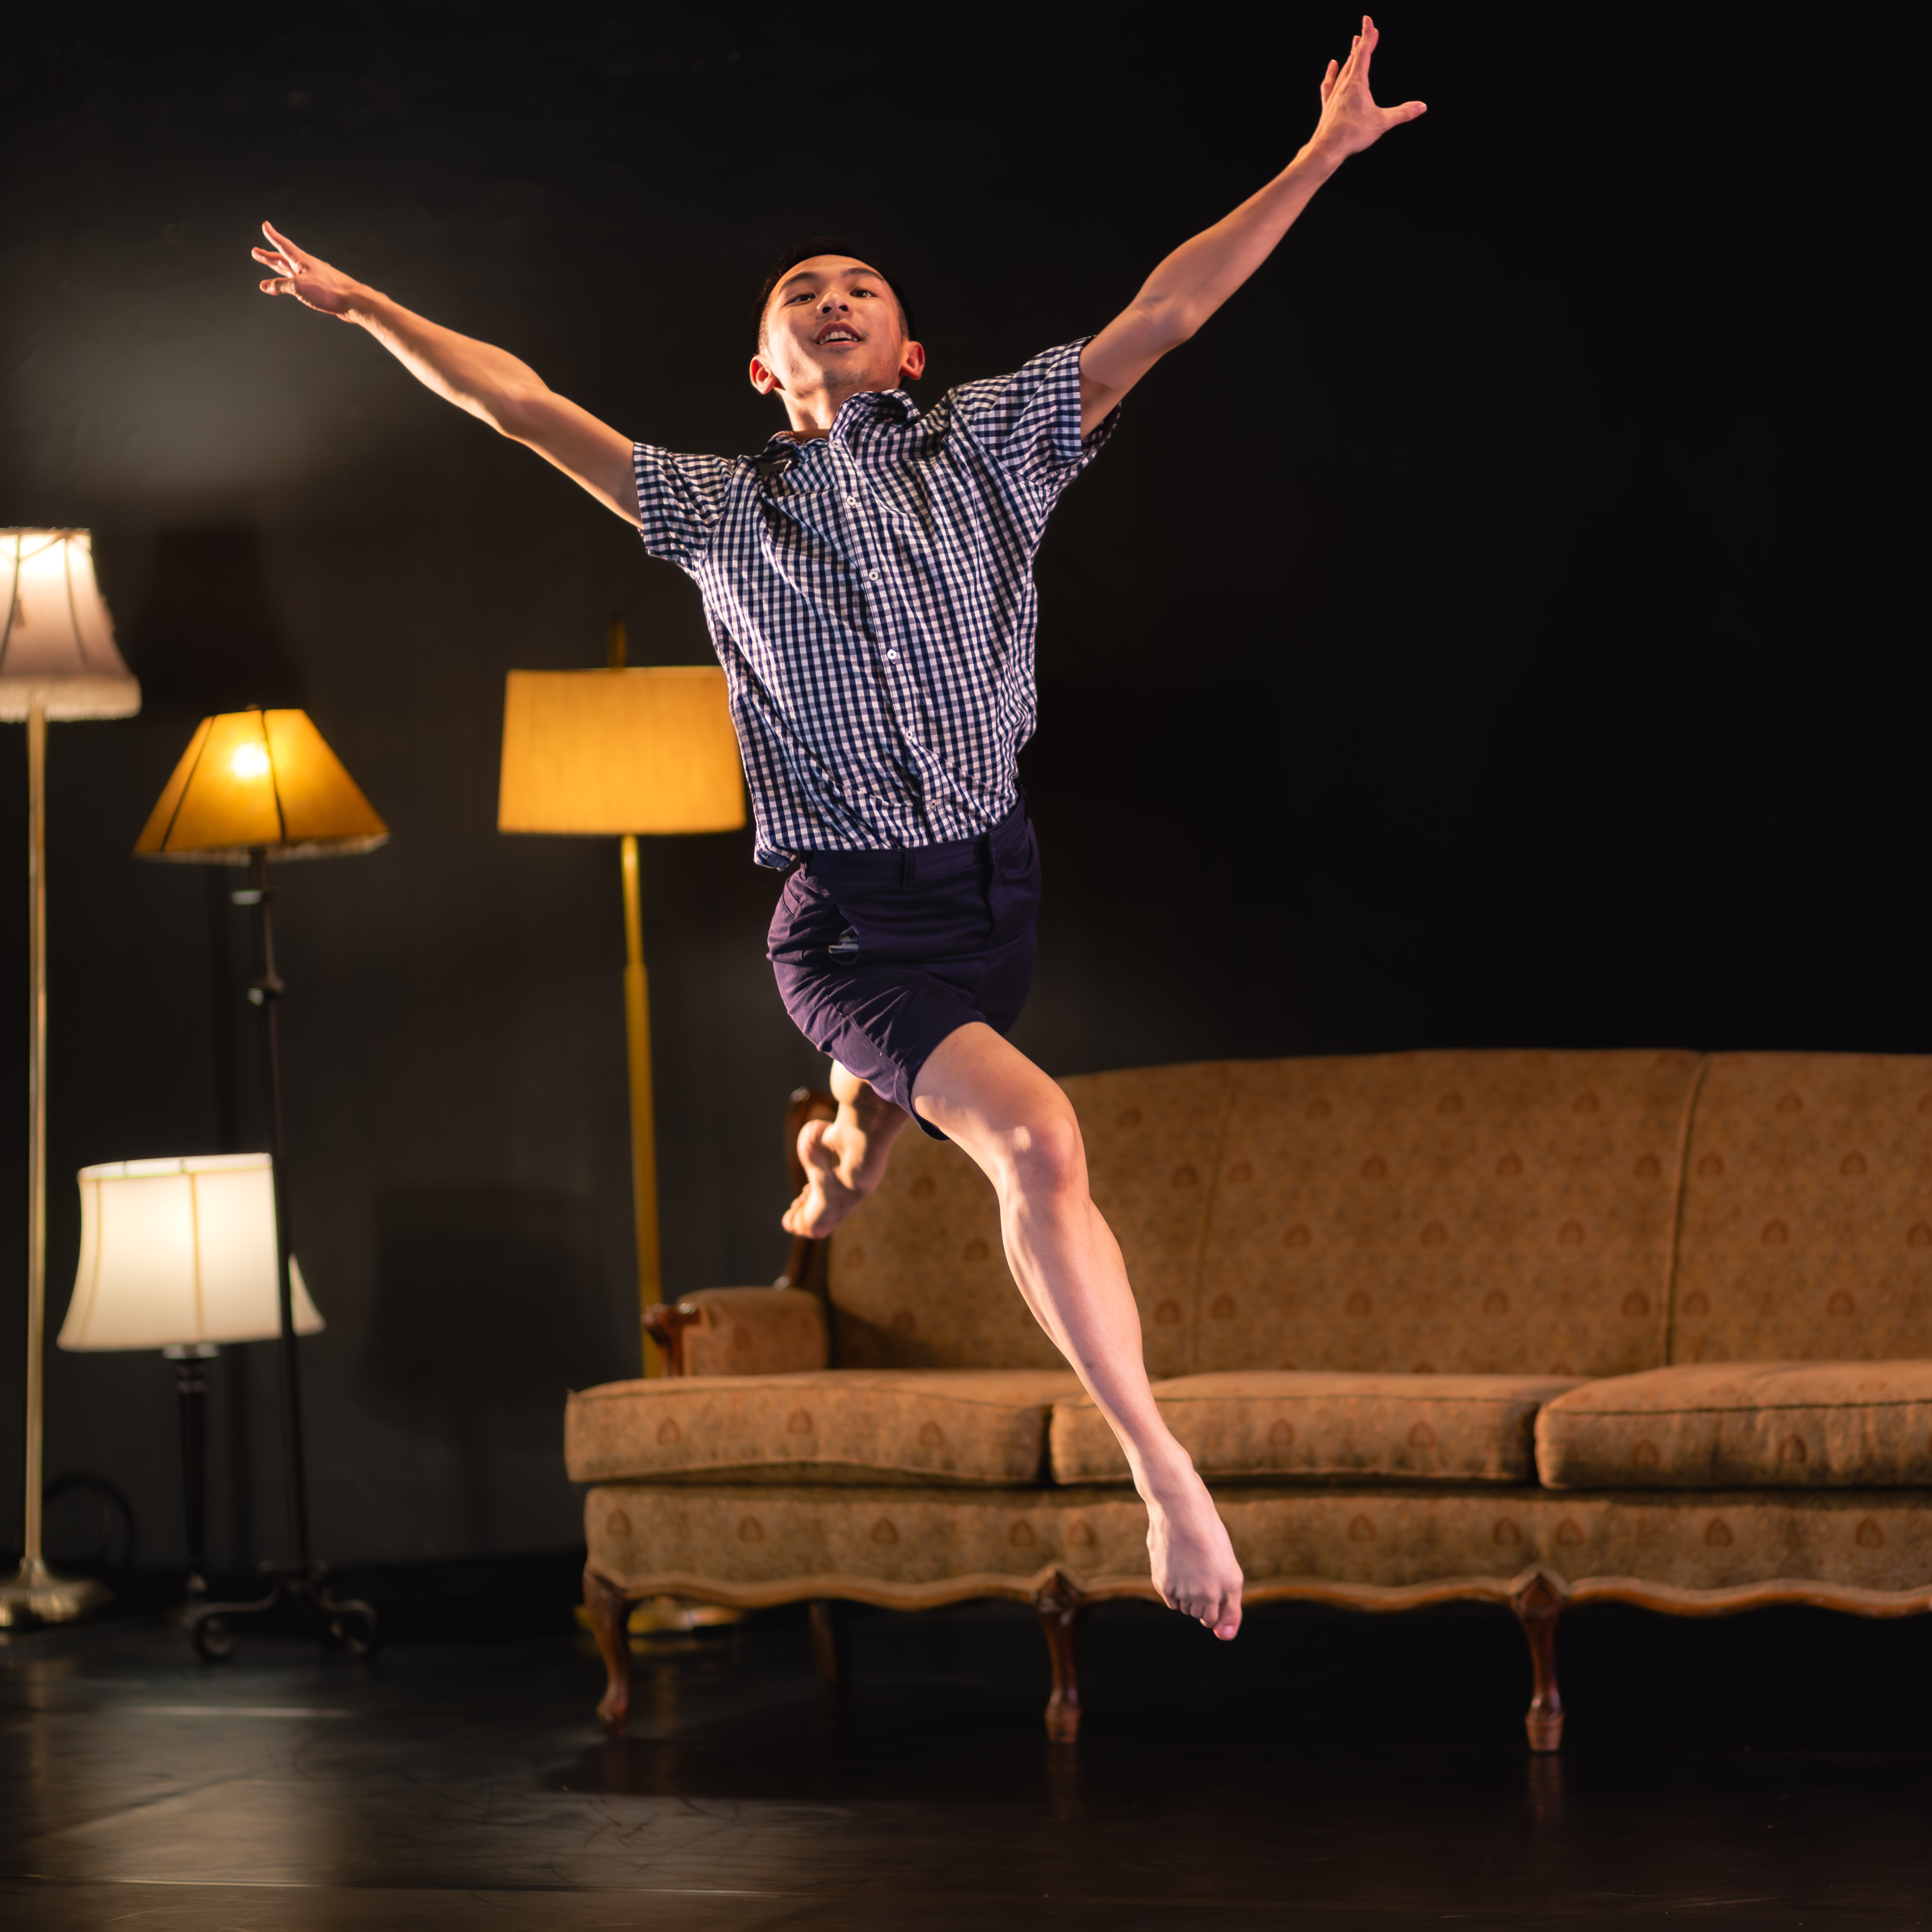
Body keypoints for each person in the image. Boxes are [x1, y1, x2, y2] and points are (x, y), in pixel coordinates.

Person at [253, 19, 1425, 1641]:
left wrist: (1319, 155)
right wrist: (372, 305)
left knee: (888, 1122)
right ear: (764, 371)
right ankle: (1159, 1467)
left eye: (858, 288)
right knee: (1036, 1140)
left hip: (989, 882)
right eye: (796, 294)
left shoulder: (1003, 450)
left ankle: (834, 1159)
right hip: (852, 921)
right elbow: (520, 407)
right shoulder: (719, 509)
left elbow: (1170, 309)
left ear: (906, 351)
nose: (830, 298)